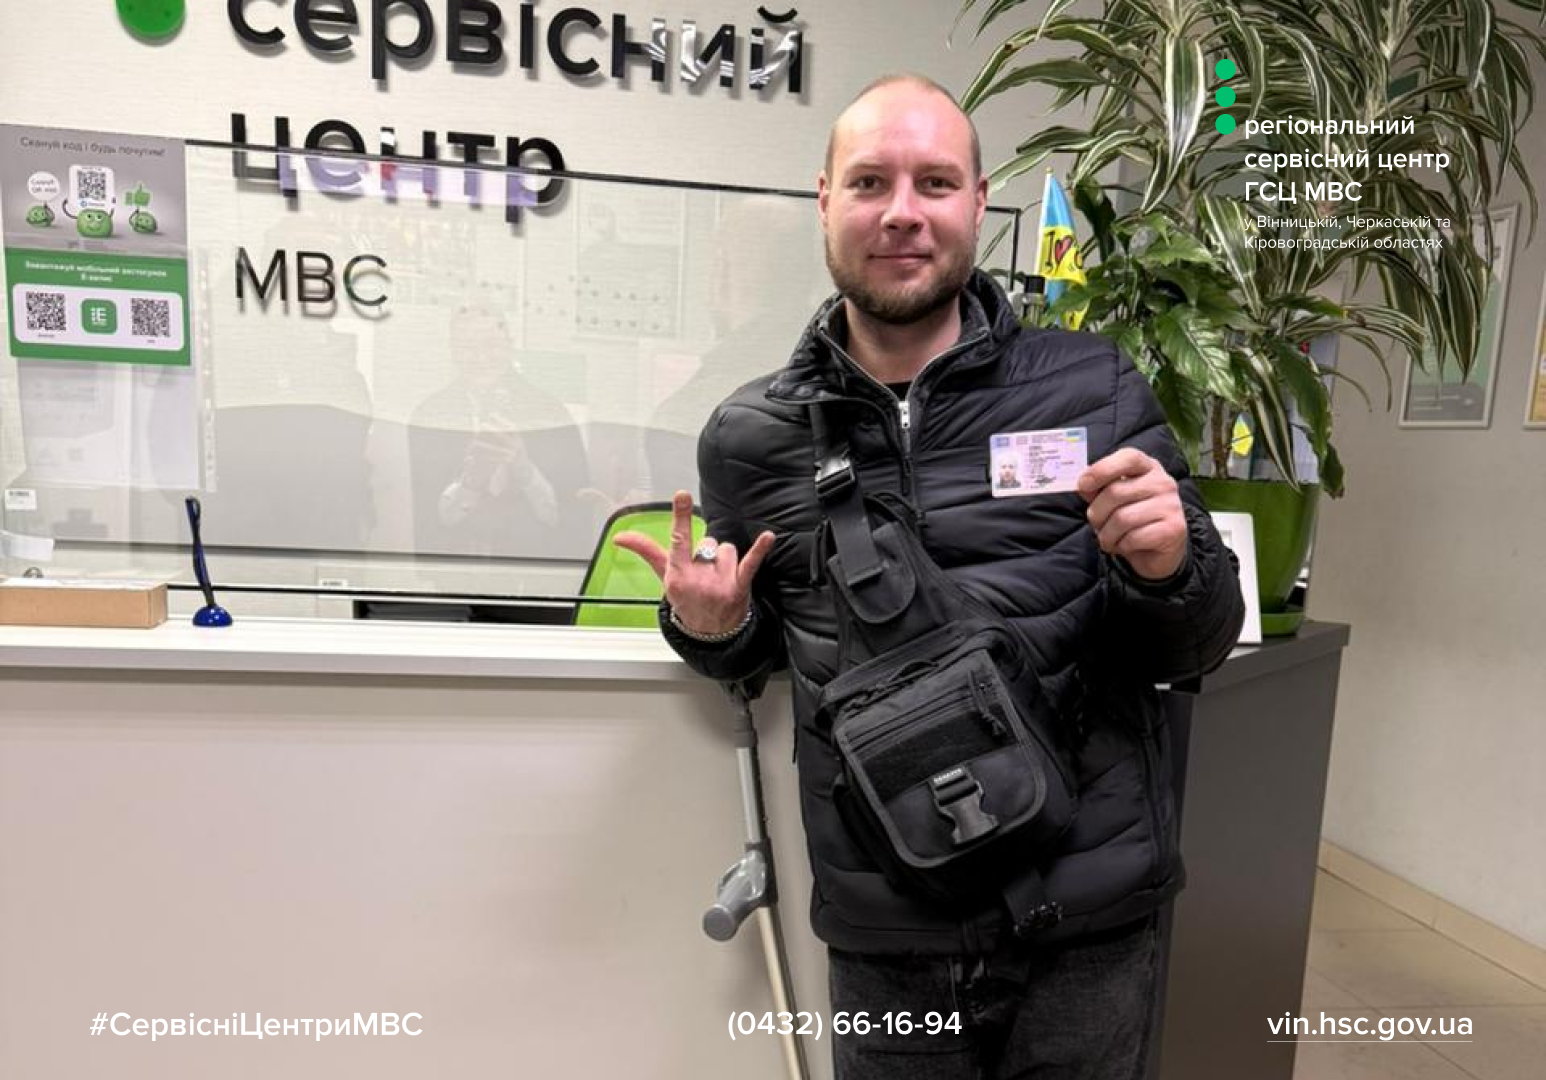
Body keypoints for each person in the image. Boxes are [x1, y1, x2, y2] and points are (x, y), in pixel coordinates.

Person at [615, 74, 1245, 1080]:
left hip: (1088, 918)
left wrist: (1170, 565)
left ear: (977, 201)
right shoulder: (750, 437)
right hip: (888, 921)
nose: (902, 211)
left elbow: (1194, 645)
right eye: (870, 182)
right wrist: (711, 626)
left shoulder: (1092, 386)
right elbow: (757, 658)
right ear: (825, 199)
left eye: (935, 182)